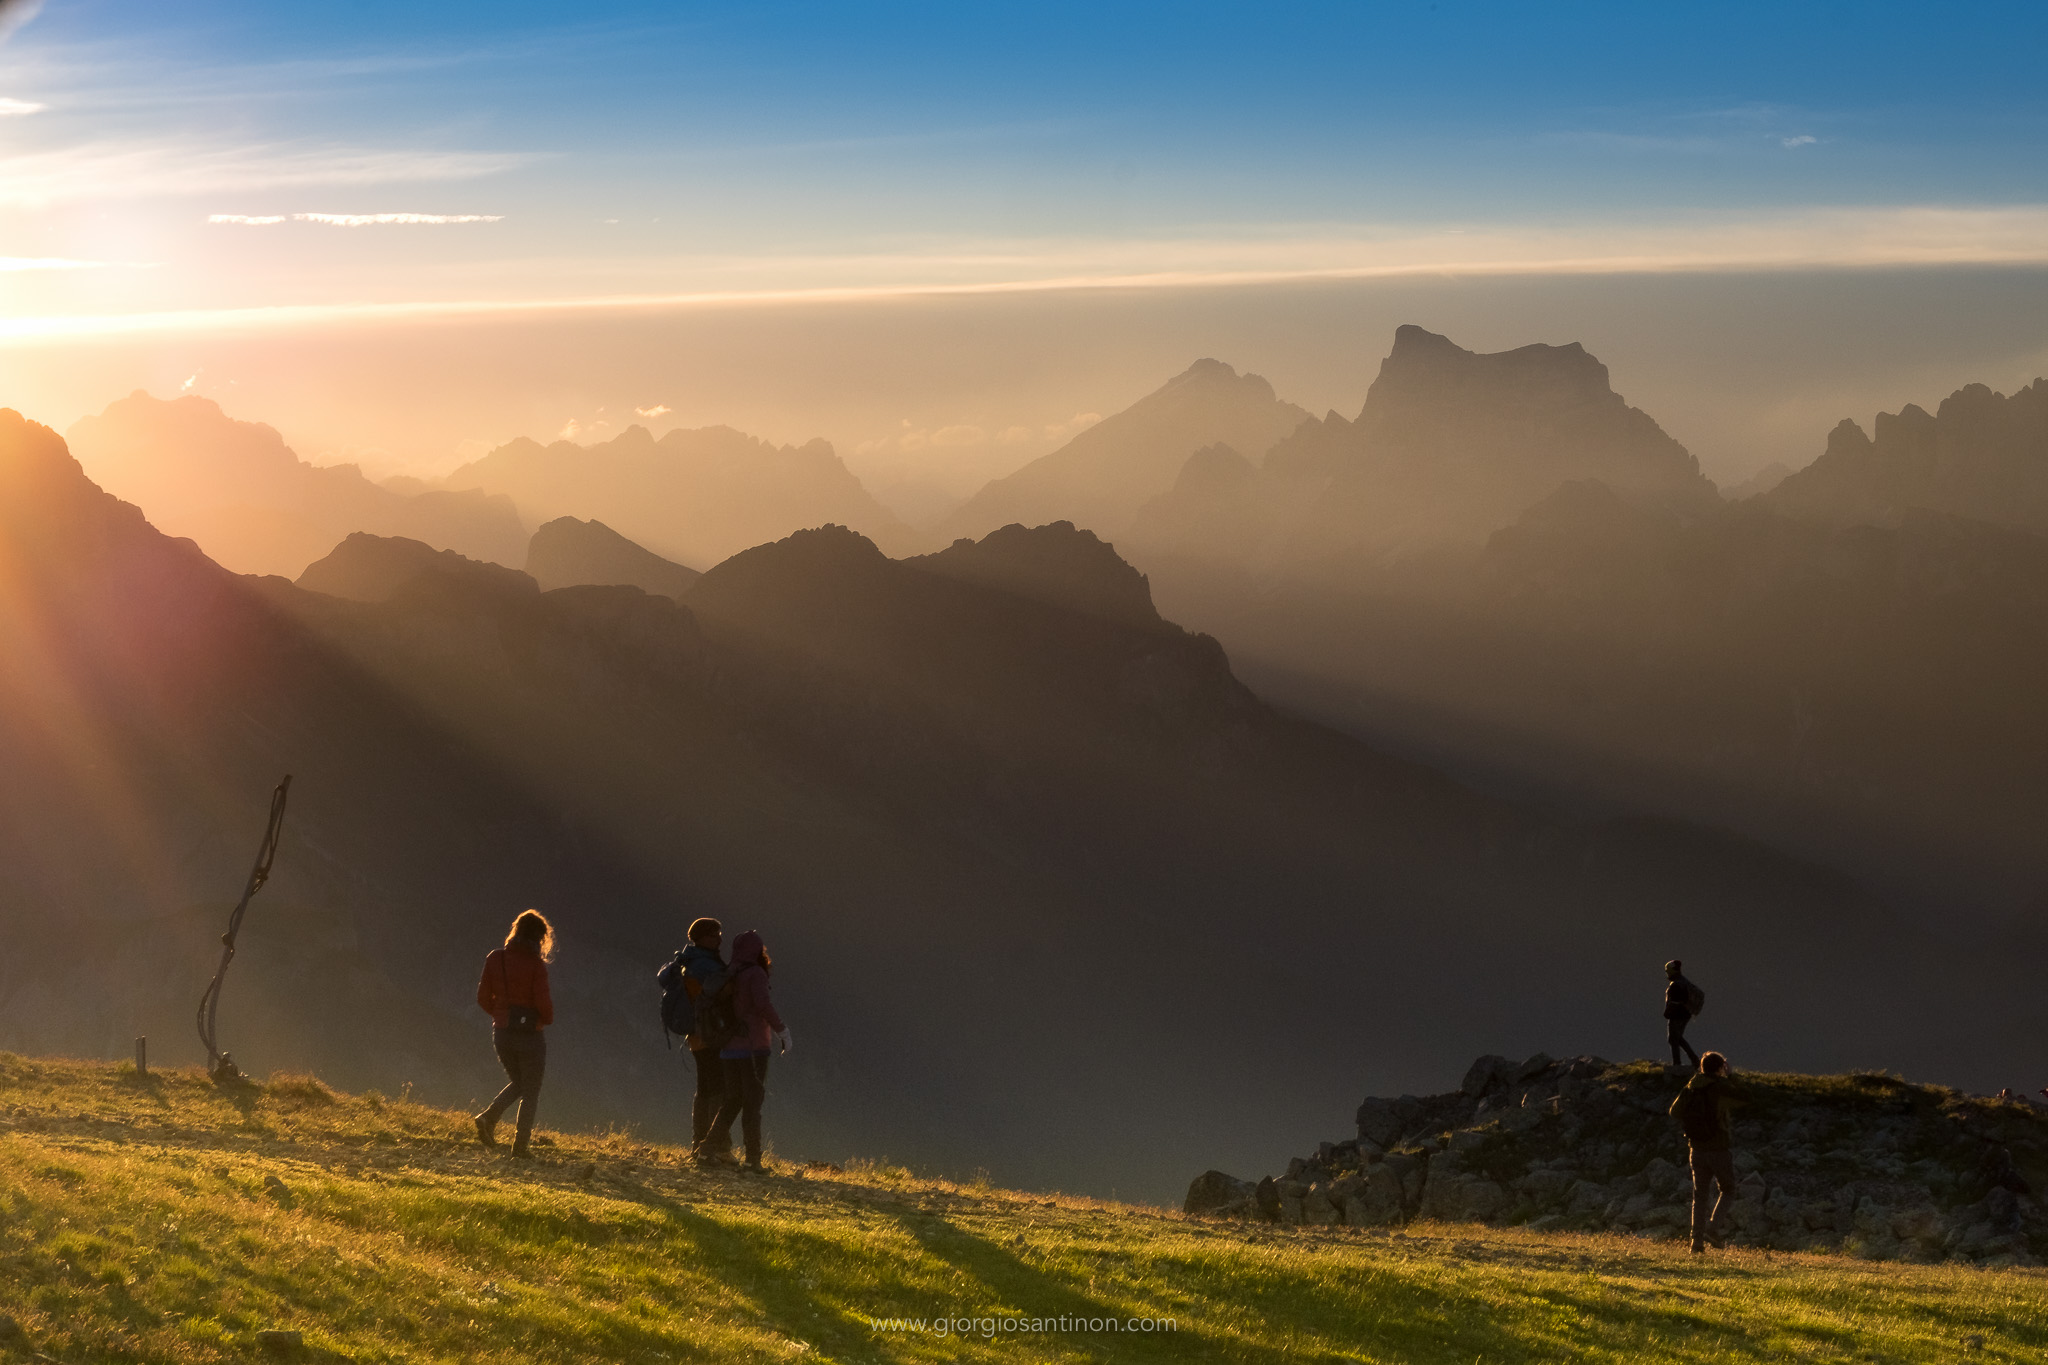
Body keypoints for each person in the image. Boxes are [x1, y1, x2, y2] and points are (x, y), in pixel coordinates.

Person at [705, 929, 789, 1174]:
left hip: (729, 1048)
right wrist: (783, 1031)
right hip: (754, 1049)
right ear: (757, 951)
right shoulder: (755, 974)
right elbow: (763, 1005)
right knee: (753, 1102)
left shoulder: (730, 973)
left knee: (732, 1100)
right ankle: (753, 1159)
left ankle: (706, 1149)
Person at [474, 909, 555, 1159]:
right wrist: (541, 1020)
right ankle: (519, 1147)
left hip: (502, 1033)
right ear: (539, 938)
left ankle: (488, 1118)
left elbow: (482, 999)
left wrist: (501, 1016)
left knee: (520, 1083)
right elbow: (545, 1009)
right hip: (530, 1037)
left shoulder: (495, 959)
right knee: (530, 1091)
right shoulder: (536, 966)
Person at [1670, 1051, 1744, 1253]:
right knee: (1728, 1189)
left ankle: (1696, 1243)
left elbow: (1674, 1112)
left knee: (1700, 1195)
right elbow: (1744, 1099)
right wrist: (1730, 1077)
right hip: (1718, 1148)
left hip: (1696, 1149)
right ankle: (1712, 1228)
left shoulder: (1692, 1087)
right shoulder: (1721, 1087)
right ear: (1720, 1068)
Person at [674, 917, 730, 1155]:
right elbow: (724, 995)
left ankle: (699, 1142)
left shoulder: (689, 961)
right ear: (704, 938)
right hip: (711, 1033)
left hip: (695, 1035)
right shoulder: (708, 965)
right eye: (715, 934)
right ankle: (715, 1145)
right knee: (719, 1087)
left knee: (704, 1087)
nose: (719, 939)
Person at [1663, 959, 1701, 1069]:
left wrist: (1667, 1012)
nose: (1667, 973)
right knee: (1678, 1038)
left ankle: (1677, 1063)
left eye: (1667, 971)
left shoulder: (1676, 985)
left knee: (1673, 1039)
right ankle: (1694, 1059)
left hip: (1677, 1015)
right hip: (1686, 1014)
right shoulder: (1684, 982)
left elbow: (1675, 1002)